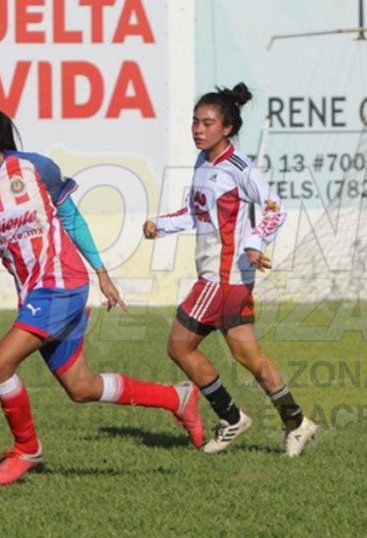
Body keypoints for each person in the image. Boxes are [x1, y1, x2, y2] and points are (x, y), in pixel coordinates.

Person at [0, 96, 204, 486]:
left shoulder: (33, 167)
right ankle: (177, 398)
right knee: (81, 387)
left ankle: (26, 448)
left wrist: (102, 271)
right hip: (35, 296)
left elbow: (70, 215)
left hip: (62, 285)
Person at [144, 82, 317, 457]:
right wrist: (161, 224)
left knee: (179, 345)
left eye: (207, 123)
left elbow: (276, 207)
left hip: (223, 279)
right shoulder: (203, 161)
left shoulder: (241, 168)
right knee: (249, 358)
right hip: (226, 280)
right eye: (195, 121)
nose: (198, 128)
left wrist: (255, 244)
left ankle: (231, 415)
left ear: (227, 128)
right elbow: (195, 213)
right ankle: (297, 422)